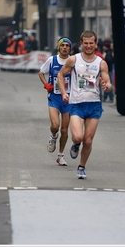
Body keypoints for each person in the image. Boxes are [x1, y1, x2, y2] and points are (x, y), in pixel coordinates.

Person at [58, 30, 112, 179]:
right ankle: (75, 145)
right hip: (77, 104)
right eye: (86, 43)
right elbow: (60, 75)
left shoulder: (101, 63)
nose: (88, 46)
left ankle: (81, 167)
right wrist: (63, 93)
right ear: (81, 44)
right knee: (77, 137)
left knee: (88, 140)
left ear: (96, 44)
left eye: (91, 43)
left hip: (94, 105)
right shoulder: (73, 60)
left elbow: (108, 85)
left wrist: (106, 86)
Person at [38, 37, 73, 166]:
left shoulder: (73, 61)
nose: (64, 47)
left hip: (68, 99)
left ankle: (60, 155)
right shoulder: (52, 60)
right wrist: (46, 84)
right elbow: (41, 72)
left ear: (70, 48)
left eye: (67, 45)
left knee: (64, 129)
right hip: (54, 97)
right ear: (59, 47)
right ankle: (53, 137)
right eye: (62, 45)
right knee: (55, 125)